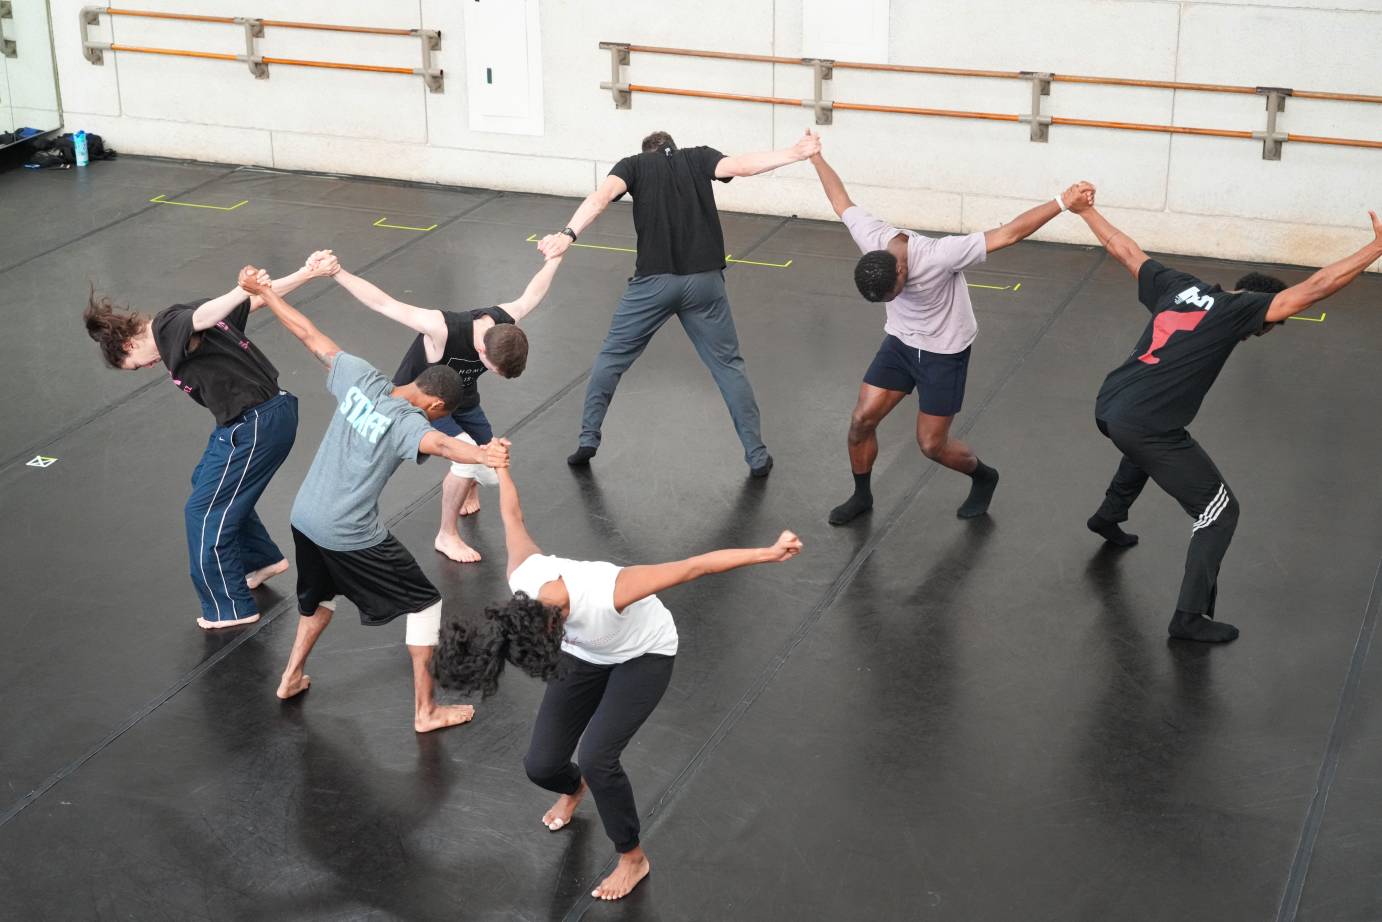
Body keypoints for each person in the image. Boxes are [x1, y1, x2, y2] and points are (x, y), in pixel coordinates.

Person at [431, 467, 803, 900]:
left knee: (597, 757)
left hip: (643, 654)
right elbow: (512, 516)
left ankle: (633, 858)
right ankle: (574, 789)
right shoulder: (525, 578)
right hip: (588, 653)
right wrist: (502, 469)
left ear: (557, 624)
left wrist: (769, 553)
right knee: (542, 766)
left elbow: (693, 567)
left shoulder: (610, 590)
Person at [1076, 200, 1382, 643]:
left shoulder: (1179, 285)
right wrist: (1376, 248)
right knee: (1219, 513)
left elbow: (1124, 249)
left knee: (1153, 449)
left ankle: (1108, 515)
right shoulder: (1241, 312)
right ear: (1261, 314)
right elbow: (1316, 287)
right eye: (1269, 325)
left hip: (1111, 402)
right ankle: (1189, 617)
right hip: (1143, 421)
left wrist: (1084, 211)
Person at [235, 267, 510, 731]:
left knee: (320, 599)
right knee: (425, 604)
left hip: (304, 516)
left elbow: (310, 335)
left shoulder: (361, 378)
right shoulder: (412, 426)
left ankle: (291, 675)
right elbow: (445, 446)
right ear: (437, 407)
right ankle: (425, 711)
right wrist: (483, 452)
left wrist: (263, 291)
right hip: (348, 532)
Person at [809, 142, 1092, 523]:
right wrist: (814, 156)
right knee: (861, 421)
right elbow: (839, 199)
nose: (897, 296)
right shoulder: (871, 239)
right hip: (900, 344)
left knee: (931, 445)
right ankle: (862, 495)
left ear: (902, 272)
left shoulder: (941, 255)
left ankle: (984, 477)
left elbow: (1007, 234)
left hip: (944, 351)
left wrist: (1062, 201)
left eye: (894, 292)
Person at [537, 128, 824, 477]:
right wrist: (795, 153)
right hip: (705, 284)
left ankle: (587, 440)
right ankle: (757, 454)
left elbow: (599, 198)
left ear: (647, 152)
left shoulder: (634, 165)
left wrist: (567, 235)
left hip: (653, 285)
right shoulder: (698, 156)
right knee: (728, 367)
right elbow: (743, 166)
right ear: (673, 147)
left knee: (610, 360)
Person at [82, 255, 335, 629]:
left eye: (136, 366)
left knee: (203, 514)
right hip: (252, 420)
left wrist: (239, 287)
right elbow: (257, 299)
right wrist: (306, 273)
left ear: (130, 344)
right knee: (205, 482)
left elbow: (207, 315)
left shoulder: (167, 326)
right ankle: (261, 559)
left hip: (257, 425)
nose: (149, 368)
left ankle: (230, 608)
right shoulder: (181, 323)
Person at [322, 250, 563, 563]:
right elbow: (385, 304)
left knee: (491, 470)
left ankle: (470, 485)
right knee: (467, 459)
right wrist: (336, 271)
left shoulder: (504, 321)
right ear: (481, 349)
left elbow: (533, 293)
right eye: (492, 369)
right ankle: (446, 535)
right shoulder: (443, 328)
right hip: (423, 402)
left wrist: (557, 255)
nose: (492, 372)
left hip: (462, 399)